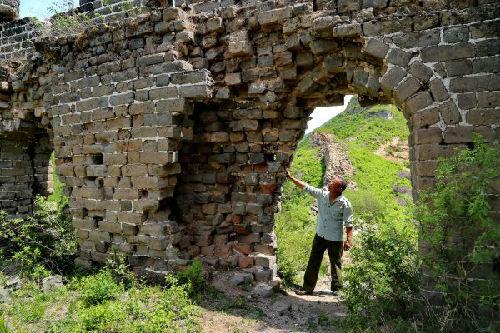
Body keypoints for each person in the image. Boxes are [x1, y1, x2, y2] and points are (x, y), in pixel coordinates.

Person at [286, 170, 354, 295]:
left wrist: (349, 240)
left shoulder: (345, 204)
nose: (330, 183)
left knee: (336, 264)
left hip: (335, 239)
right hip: (320, 235)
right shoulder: (322, 194)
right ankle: (307, 288)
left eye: (333, 183)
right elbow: (307, 187)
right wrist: (292, 178)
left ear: (339, 188)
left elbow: (349, 224)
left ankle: (337, 290)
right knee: (314, 261)